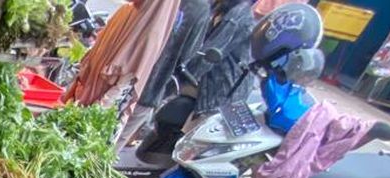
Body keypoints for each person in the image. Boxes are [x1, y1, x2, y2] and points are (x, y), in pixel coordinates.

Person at [62, 0, 183, 133]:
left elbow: (125, 85)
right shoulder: (127, 12)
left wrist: (96, 111)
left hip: (96, 106)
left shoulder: (150, 31)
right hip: (83, 92)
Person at [117, 0, 212, 147]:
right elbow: (188, 54)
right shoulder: (200, 8)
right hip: (152, 84)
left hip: (123, 71)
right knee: (119, 136)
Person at [183, 0, 257, 125]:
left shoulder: (236, 16)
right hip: (214, 86)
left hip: (220, 94)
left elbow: (208, 56)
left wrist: (179, 78)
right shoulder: (224, 9)